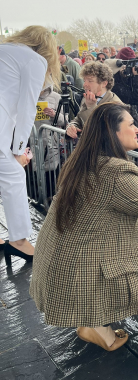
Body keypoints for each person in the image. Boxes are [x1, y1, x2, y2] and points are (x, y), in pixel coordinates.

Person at [30, 102, 138, 351]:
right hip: (82, 268)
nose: (137, 130)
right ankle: (98, 323)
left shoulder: (84, 160)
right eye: (131, 124)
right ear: (113, 132)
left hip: (62, 261)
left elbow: (120, 211)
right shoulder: (114, 172)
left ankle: (95, 318)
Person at [0, 26, 61, 261]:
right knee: (14, 176)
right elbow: (28, 110)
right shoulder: (34, 60)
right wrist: (18, 151)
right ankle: (18, 240)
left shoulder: (5, 50)